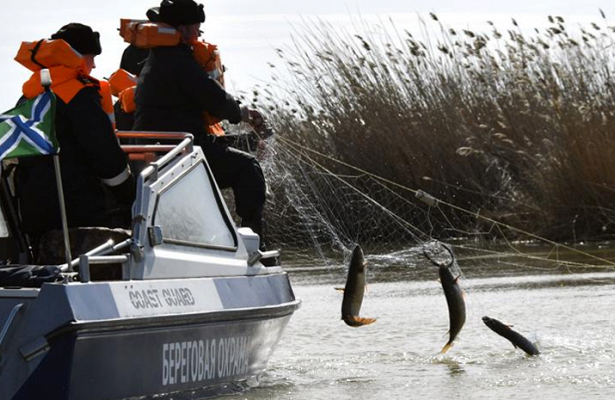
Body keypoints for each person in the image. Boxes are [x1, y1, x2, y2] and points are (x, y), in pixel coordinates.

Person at [133, 0, 270, 248]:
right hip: (178, 154)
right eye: (197, 29)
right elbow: (213, 97)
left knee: (237, 152)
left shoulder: (159, 57)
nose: (198, 35)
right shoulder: (176, 60)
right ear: (183, 28)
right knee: (247, 168)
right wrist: (244, 112)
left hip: (163, 147)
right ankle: (253, 247)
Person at [15, 23, 135, 251]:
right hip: (77, 211)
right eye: (91, 57)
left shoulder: (28, 96)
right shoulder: (79, 94)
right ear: (78, 58)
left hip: (34, 212)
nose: (94, 65)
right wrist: (130, 194)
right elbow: (104, 153)